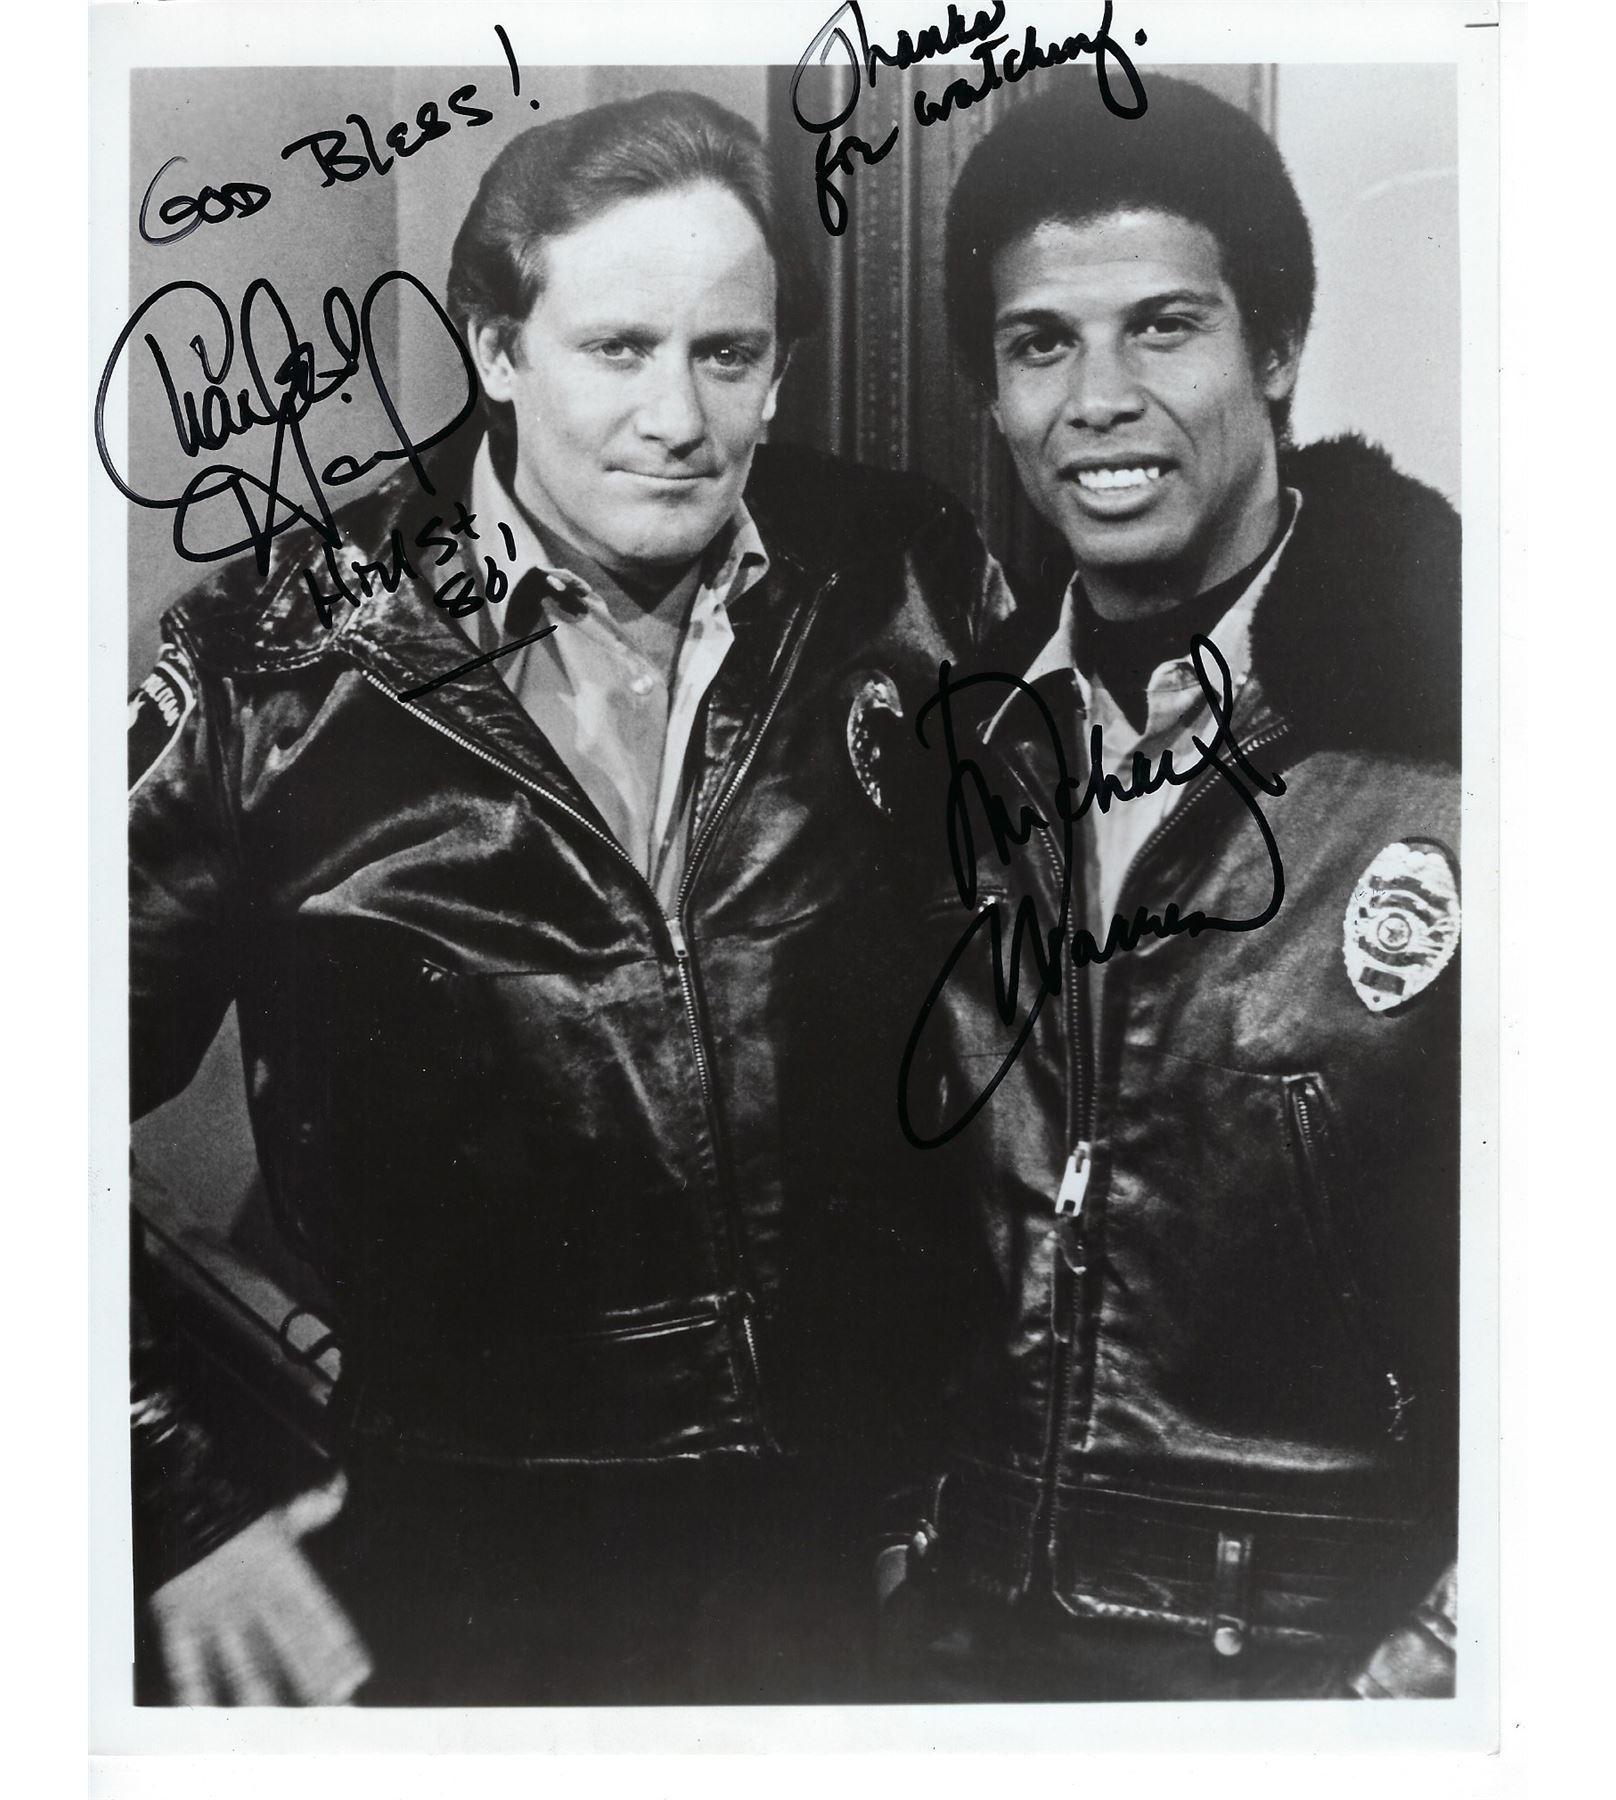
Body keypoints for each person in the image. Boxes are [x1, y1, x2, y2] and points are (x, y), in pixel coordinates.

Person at [128, 90, 1006, 1705]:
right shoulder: (271, 662)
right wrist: (168, 1497)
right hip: (474, 1575)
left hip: (859, 1565)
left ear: (779, 369)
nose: (679, 416)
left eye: (727, 355)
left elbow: (1060, 1027)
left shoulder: (904, 582)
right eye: (617, 349)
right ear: (497, 348)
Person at [883, 74, 1461, 1701]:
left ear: (1276, 349)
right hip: (960, 1650)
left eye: (1164, 327)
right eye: (1041, 344)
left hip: (1311, 1671)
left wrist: (1427, 1690)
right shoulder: (957, 755)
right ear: (994, 395)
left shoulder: (1479, 732)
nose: (1099, 400)